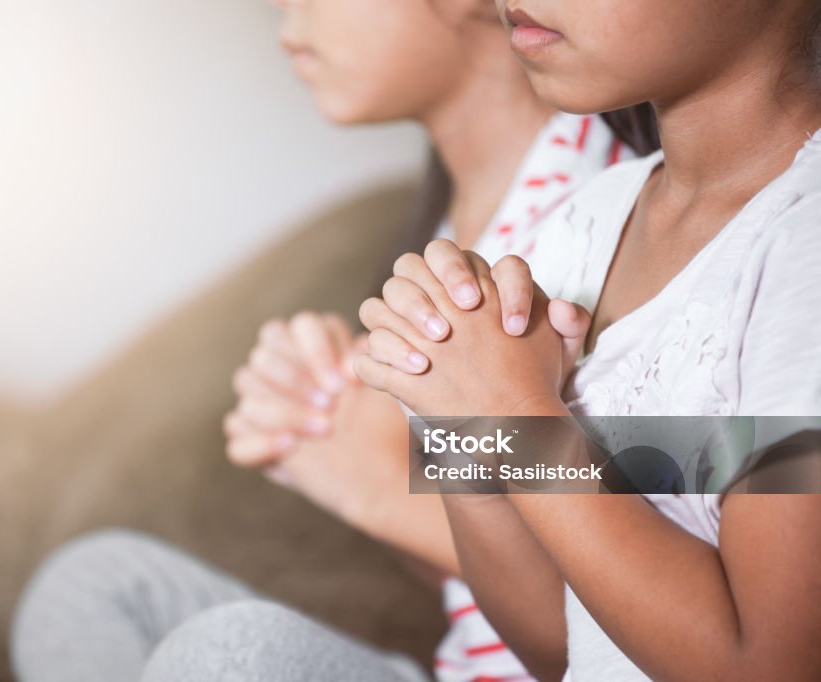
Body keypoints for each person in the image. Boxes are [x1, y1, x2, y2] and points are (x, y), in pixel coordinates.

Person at [10, 1, 655, 680]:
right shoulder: (444, 233)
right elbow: (470, 588)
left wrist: (379, 481)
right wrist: (331, 432)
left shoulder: (605, 222)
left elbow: (639, 555)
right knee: (93, 584)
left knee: (234, 655)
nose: (288, 29)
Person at [346, 0, 821, 680]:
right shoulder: (592, 216)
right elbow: (557, 650)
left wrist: (518, 418)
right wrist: (468, 422)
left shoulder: (806, 246)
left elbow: (768, 667)